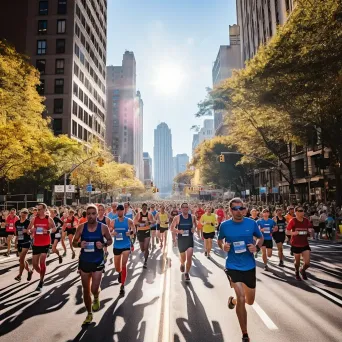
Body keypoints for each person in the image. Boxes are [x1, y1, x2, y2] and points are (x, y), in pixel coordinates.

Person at [218, 198, 264, 342]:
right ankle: (245, 334)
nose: (239, 211)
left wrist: (256, 247)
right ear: (230, 210)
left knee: (249, 301)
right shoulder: (224, 225)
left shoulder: (252, 223)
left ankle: (233, 301)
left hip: (249, 266)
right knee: (242, 296)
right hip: (233, 266)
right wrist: (222, 246)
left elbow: (260, 238)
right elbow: (220, 240)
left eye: (241, 208)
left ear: (244, 209)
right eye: (235, 209)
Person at [72, 204, 113, 325]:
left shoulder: (103, 227)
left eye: (93, 213)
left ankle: (96, 296)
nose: (91, 216)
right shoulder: (81, 227)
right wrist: (80, 245)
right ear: (86, 215)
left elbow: (110, 240)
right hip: (84, 261)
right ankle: (89, 313)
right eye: (88, 214)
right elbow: (74, 243)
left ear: (97, 214)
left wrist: (104, 244)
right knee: (85, 290)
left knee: (94, 288)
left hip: (98, 261)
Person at [28, 203, 56, 291]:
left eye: (39, 209)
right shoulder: (34, 219)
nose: (38, 211)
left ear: (44, 210)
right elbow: (28, 229)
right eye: (37, 209)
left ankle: (41, 281)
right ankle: (42, 274)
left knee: (42, 262)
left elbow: (54, 228)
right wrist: (30, 231)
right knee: (35, 264)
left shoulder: (49, 219)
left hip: (45, 243)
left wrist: (48, 231)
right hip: (36, 243)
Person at [112, 204, 136, 296]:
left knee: (124, 265)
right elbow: (109, 231)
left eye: (121, 210)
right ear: (117, 211)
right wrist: (112, 233)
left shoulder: (129, 221)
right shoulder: (113, 222)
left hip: (126, 245)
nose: (119, 212)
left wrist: (130, 232)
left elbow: (134, 230)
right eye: (118, 210)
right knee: (117, 268)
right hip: (117, 246)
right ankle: (120, 273)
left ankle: (122, 285)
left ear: (123, 211)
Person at [170, 202, 197, 282]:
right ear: (181, 209)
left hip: (189, 240)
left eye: (186, 207)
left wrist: (194, 228)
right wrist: (178, 231)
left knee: (189, 257)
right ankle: (182, 264)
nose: (185, 208)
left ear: (188, 208)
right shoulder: (177, 218)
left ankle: (187, 273)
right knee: (183, 258)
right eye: (183, 207)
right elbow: (172, 228)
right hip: (181, 240)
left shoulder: (192, 217)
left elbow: (196, 225)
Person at [286, 206, 312, 281]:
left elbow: (310, 228)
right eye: (300, 211)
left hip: (305, 244)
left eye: (303, 210)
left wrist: (310, 231)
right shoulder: (293, 220)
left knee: (307, 263)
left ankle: (302, 269)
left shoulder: (306, 220)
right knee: (297, 262)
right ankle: (297, 271)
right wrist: (293, 233)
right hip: (296, 244)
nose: (302, 212)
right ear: (296, 212)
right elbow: (287, 231)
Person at [14, 208, 33, 281]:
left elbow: (32, 232)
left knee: (21, 259)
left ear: (27, 215)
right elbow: (17, 234)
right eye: (23, 212)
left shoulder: (28, 222)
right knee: (22, 260)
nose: (24, 214)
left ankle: (19, 275)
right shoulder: (17, 222)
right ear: (20, 213)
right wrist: (16, 242)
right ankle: (29, 271)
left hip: (26, 242)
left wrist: (28, 231)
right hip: (20, 242)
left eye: (25, 213)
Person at [134, 203, 154, 269]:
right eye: (143, 207)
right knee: (142, 248)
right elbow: (135, 222)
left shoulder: (149, 214)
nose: (145, 208)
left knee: (146, 247)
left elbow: (153, 221)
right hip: (140, 231)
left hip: (147, 231)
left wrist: (149, 222)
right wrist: (140, 224)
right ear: (142, 208)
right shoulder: (138, 214)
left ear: (147, 208)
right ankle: (144, 251)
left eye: (146, 207)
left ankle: (145, 261)